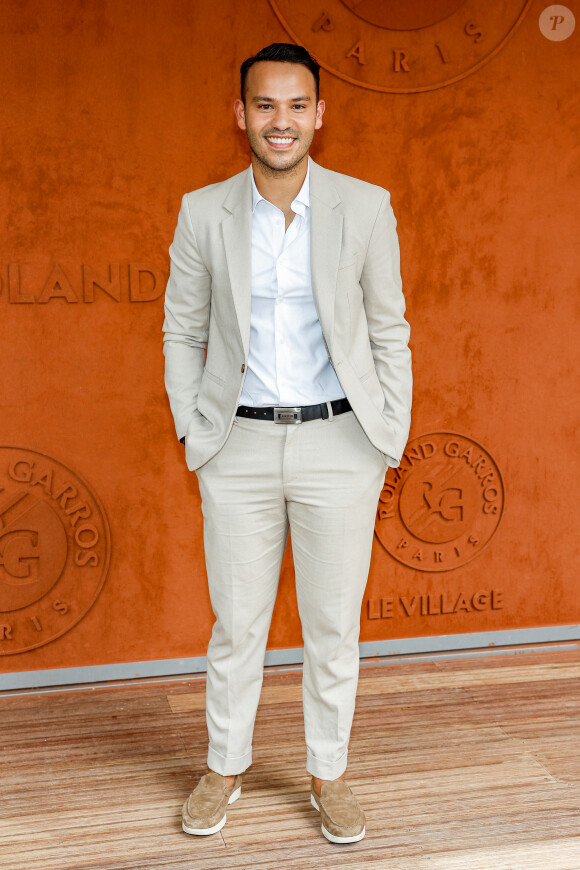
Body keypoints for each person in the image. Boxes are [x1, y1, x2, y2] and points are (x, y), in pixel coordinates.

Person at [162, 42, 412, 844]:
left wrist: (387, 432)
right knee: (236, 623)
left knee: (332, 625)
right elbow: (181, 328)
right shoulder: (204, 210)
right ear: (241, 114)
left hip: (341, 443)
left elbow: (388, 328)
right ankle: (223, 768)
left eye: (296, 105)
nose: (281, 121)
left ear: (319, 115)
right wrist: (193, 428)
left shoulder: (365, 206)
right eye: (265, 105)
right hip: (235, 445)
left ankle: (327, 774)